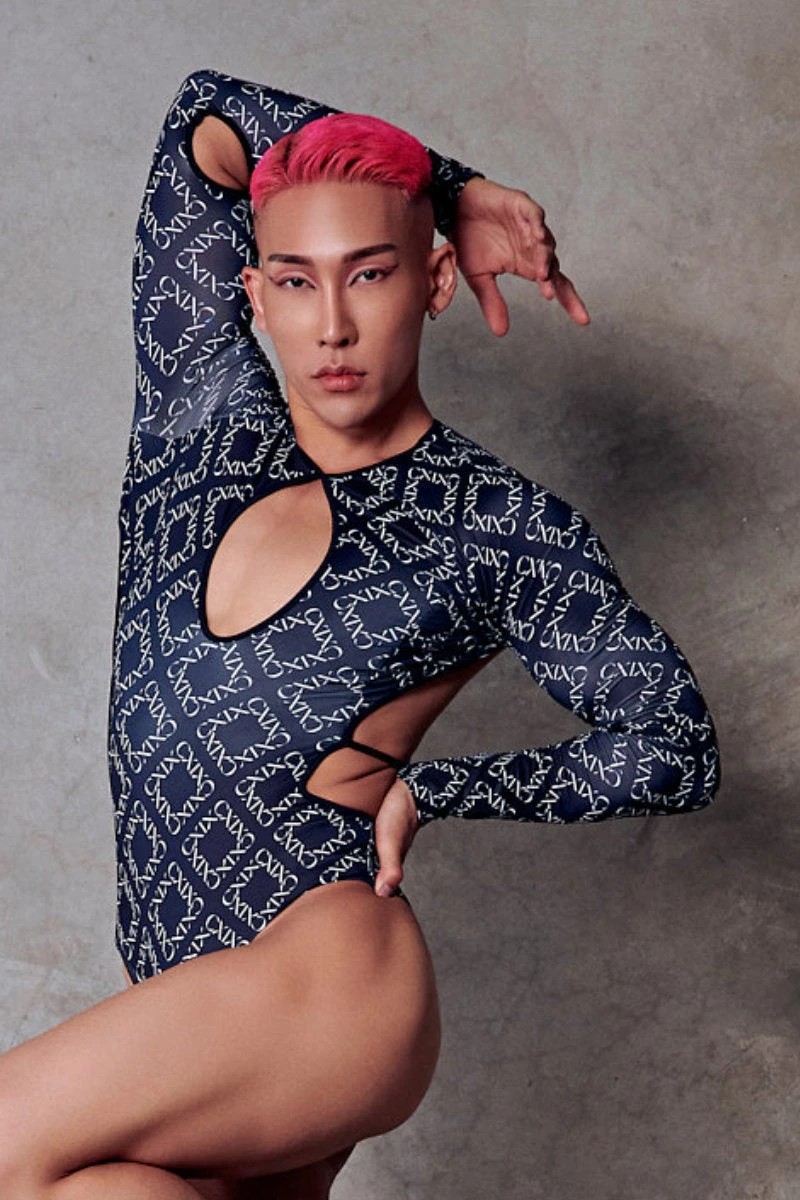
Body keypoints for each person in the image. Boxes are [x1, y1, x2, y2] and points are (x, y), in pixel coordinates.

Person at [0, 68, 720, 1199]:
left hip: (331, 978)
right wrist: (455, 184)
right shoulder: (200, 415)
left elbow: (673, 744)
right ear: (252, 291)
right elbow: (203, 116)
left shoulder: (494, 522)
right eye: (296, 280)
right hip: (194, 989)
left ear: (433, 280)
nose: (331, 324)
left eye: (371, 273)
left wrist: (436, 788)